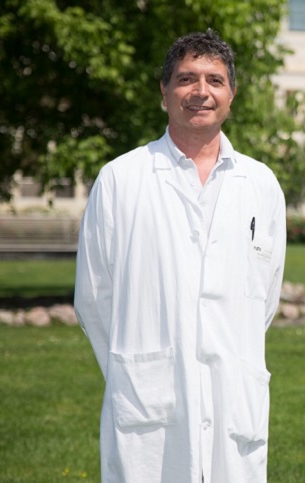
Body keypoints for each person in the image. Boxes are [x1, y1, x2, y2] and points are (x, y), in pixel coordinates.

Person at [74, 29, 286, 482]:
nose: (201, 91)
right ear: (164, 93)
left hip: (235, 404)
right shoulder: (120, 180)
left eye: (215, 80)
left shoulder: (262, 184)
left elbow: (264, 299)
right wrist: (135, 372)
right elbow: (94, 298)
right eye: (187, 79)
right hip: (148, 407)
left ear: (231, 95)